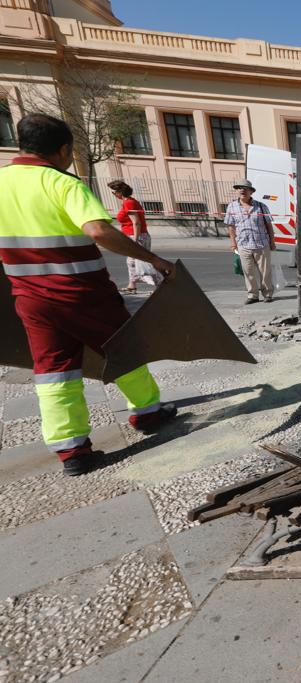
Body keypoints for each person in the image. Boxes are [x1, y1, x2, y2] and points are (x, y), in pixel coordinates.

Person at [0, 113, 178, 476]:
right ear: (63, 148)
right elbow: (98, 230)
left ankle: (72, 451)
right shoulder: (62, 184)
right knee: (125, 348)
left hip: (31, 299)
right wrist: (152, 258)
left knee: (53, 371)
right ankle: (147, 413)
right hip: (83, 293)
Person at [224, 179, 276, 304]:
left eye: (245, 188)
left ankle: (268, 294)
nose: (242, 190)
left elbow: (269, 225)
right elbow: (231, 227)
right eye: (239, 188)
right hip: (243, 244)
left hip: (261, 243)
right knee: (248, 271)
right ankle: (253, 295)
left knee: (265, 271)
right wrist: (233, 243)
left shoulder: (261, 206)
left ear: (251, 191)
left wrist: (272, 241)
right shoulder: (232, 206)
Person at [108, 180, 162, 293]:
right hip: (135, 235)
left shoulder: (129, 203)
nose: (114, 195)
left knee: (144, 262)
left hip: (137, 236)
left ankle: (161, 285)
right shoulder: (129, 202)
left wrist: (135, 240)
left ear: (119, 192)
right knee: (132, 262)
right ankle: (132, 285)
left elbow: (136, 222)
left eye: (114, 192)